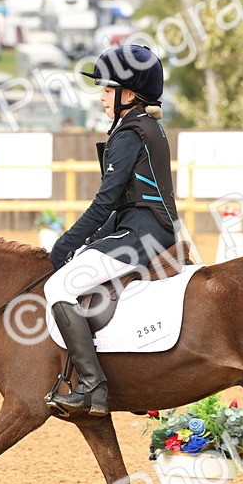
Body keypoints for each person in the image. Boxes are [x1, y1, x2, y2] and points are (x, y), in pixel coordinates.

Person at [43, 45, 178, 416]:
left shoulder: (131, 133)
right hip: (137, 226)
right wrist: (86, 241)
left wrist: (63, 245)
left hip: (142, 232)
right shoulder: (144, 126)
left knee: (58, 286)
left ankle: (93, 385)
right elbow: (117, 206)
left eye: (107, 89)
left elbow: (105, 201)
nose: (101, 95)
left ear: (129, 94)